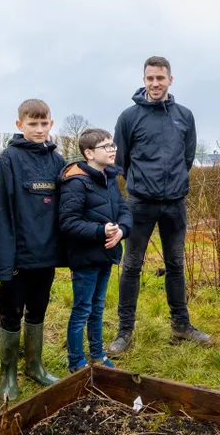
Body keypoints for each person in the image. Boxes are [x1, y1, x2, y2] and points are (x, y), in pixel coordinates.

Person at [109, 55, 213, 355]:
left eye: (160, 78)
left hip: (175, 204)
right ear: (144, 80)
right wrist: (140, 186)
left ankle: (181, 325)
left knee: (175, 265)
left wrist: (173, 184)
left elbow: (188, 157)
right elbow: (120, 161)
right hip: (139, 203)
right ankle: (124, 331)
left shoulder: (184, 116)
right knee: (131, 266)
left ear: (170, 79)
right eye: (150, 78)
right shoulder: (129, 117)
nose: (155, 83)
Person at [0, 99, 65, 401]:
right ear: (20, 125)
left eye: (44, 124)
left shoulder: (57, 161)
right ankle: (7, 373)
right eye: (33, 124)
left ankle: (35, 365)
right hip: (18, 256)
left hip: (46, 254)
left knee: (38, 308)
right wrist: (6, 259)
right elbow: (0, 214)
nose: (39, 129)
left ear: (51, 124)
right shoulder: (8, 160)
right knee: (11, 311)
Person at [59, 129, 133, 372]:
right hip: (85, 257)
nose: (112, 149)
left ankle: (97, 355)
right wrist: (100, 230)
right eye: (106, 146)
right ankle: (76, 362)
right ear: (89, 153)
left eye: (113, 145)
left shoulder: (109, 178)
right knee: (82, 309)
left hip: (106, 254)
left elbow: (124, 209)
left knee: (98, 307)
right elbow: (68, 223)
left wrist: (122, 230)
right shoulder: (76, 182)